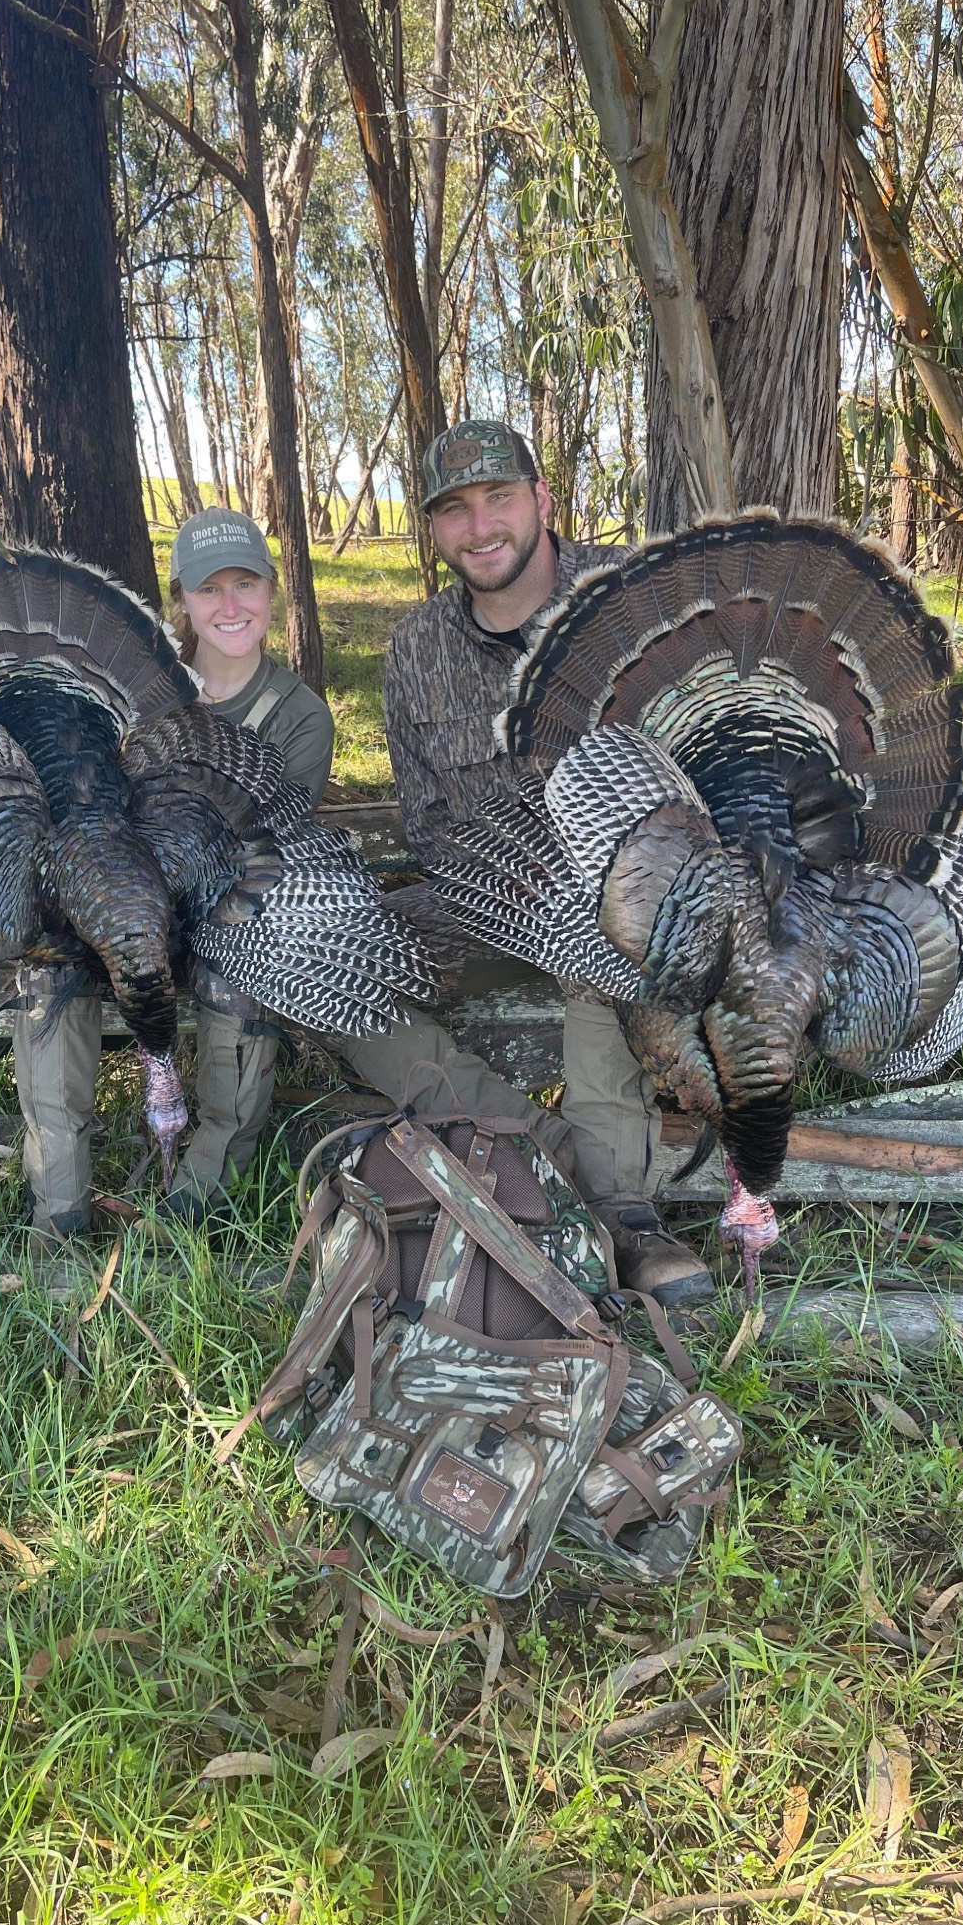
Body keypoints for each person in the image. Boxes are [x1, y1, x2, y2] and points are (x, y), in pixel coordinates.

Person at [373, 418, 713, 1305]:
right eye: (454, 509)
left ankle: (625, 1221)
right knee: (324, 961)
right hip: (485, 890)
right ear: (433, 528)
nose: (480, 527)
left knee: (598, 935)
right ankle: (540, 1153)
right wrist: (502, 886)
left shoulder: (630, 596)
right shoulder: (415, 650)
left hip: (625, 895)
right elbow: (424, 819)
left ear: (543, 500)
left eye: (499, 498)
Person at [13, 508, 334, 1239]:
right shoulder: (126, 695)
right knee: (47, 969)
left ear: (271, 592)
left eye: (245, 585)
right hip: (118, 913)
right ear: (181, 602)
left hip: (217, 908)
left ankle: (200, 1197)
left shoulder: (298, 716)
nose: (229, 607)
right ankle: (57, 1205)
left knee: (246, 958)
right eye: (208, 589)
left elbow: (273, 847)